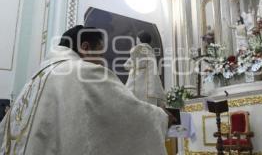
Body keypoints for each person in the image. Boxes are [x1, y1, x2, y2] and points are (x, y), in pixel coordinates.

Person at [0, 25, 168, 155]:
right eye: (100, 55)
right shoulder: (83, 72)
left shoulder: (35, 78)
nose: (101, 62)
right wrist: (161, 116)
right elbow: (126, 112)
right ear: (85, 47)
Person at [124, 32, 166, 107]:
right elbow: (153, 72)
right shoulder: (150, 53)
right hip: (146, 89)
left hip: (133, 85)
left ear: (139, 40)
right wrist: (154, 89)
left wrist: (133, 67)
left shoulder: (136, 51)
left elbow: (126, 65)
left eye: (137, 39)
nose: (136, 41)